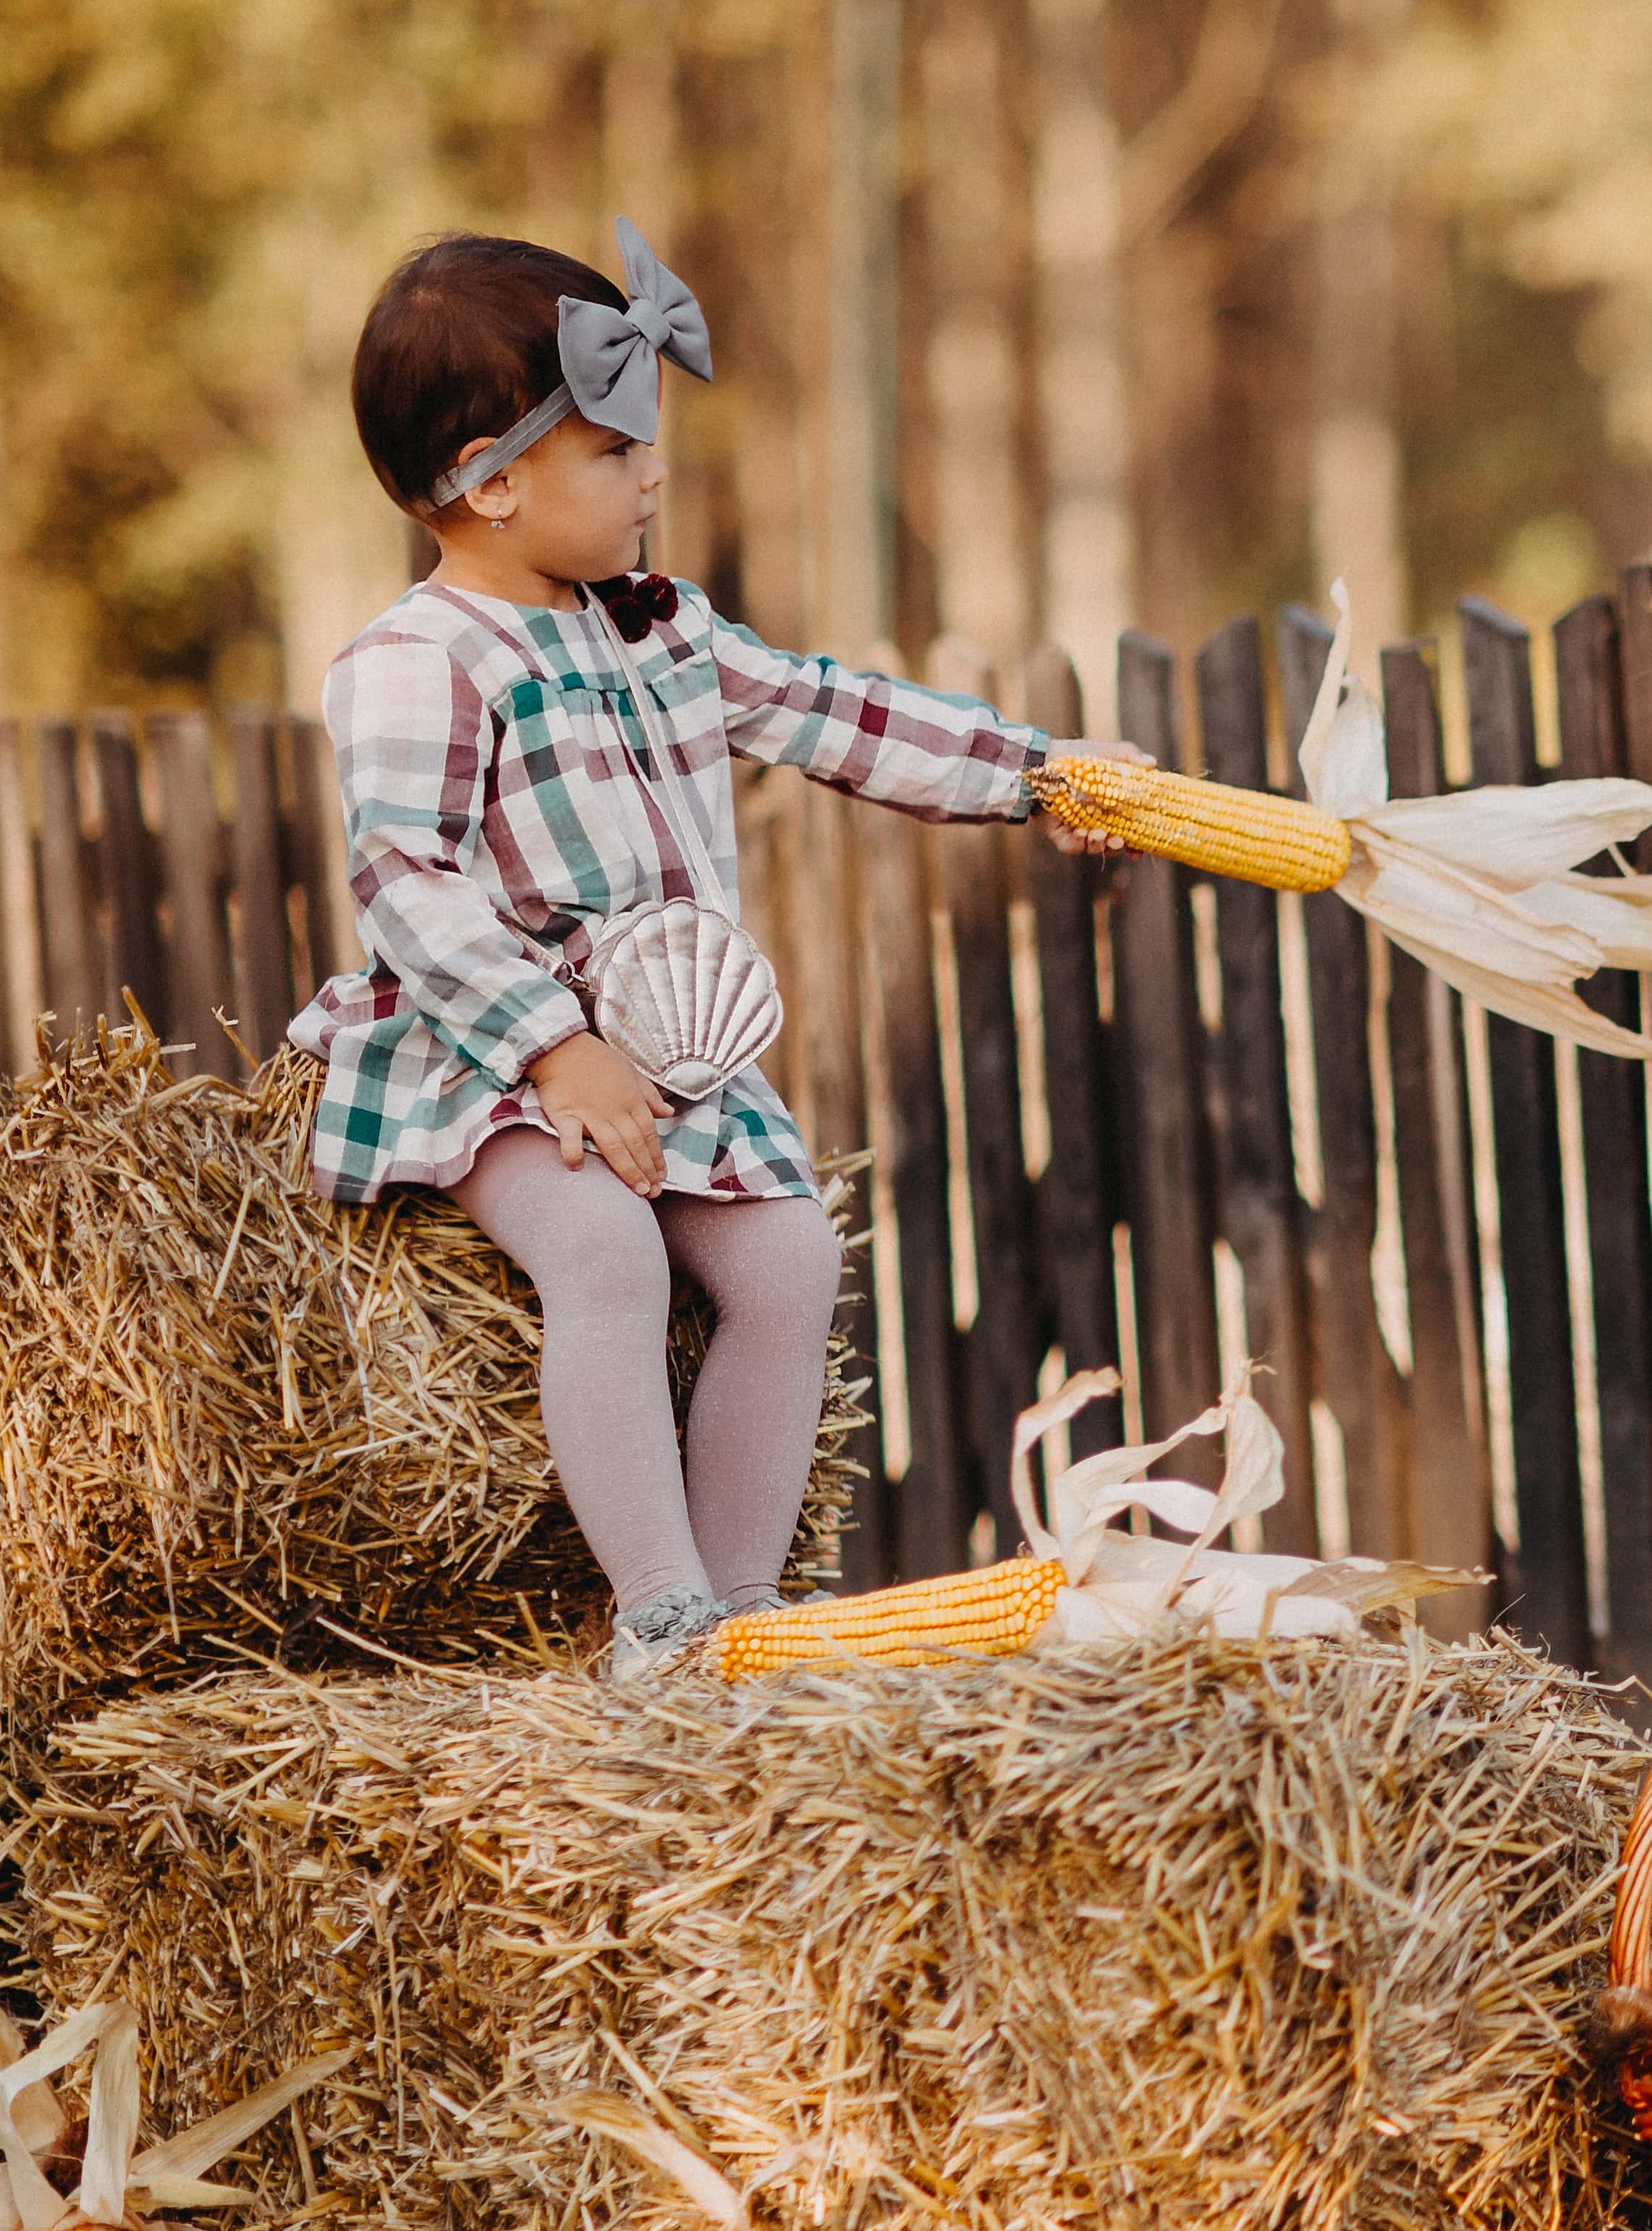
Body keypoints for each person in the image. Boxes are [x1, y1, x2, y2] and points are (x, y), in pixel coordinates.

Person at [295, 218, 1140, 1679]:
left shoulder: (662, 631)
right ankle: (663, 1616)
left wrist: (1035, 772)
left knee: (793, 1261)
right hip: (489, 1054)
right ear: (493, 482)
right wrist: (549, 1048)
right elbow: (406, 884)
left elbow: (839, 714)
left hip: (669, 1058)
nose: (655, 477)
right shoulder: (413, 663)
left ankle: (747, 1618)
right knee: (606, 1252)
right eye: (617, 453)